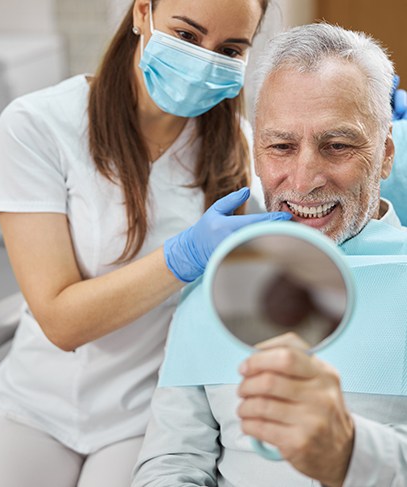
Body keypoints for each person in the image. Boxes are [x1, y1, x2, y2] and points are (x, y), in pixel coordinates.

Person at [0, 1, 297, 486]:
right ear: (141, 13)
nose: (205, 60)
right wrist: (183, 257)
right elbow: (61, 322)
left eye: (230, 49)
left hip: (149, 413)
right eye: (188, 36)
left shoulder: (237, 146)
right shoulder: (39, 126)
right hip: (35, 403)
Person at [132, 23, 407, 487]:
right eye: (281, 146)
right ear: (256, 153)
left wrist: (350, 454)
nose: (303, 181)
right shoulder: (215, 282)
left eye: (336, 146)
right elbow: (173, 459)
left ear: (384, 156)